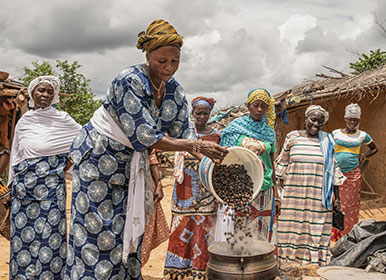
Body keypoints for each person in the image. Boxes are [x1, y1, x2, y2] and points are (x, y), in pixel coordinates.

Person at [65, 19, 227, 280]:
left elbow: (184, 133)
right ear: (148, 56)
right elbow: (147, 137)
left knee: (129, 230)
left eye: (174, 61)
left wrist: (214, 162)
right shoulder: (130, 80)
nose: (169, 67)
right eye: (162, 60)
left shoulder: (174, 89)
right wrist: (196, 146)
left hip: (130, 168)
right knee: (99, 236)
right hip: (99, 161)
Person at [6, 76, 81, 279]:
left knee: (51, 238)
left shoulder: (63, 119)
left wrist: (64, 167)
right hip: (23, 191)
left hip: (51, 189)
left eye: (49, 91)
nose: (45, 95)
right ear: (32, 93)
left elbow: (83, 142)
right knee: (23, 239)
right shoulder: (25, 121)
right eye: (41, 90)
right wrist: (11, 186)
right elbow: (17, 154)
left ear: (54, 95)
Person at [275, 105, 345, 267]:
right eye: (313, 119)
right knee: (291, 228)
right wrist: (278, 195)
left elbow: (334, 170)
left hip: (318, 198)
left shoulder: (328, 140)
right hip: (294, 196)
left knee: (315, 228)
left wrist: (337, 199)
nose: (316, 124)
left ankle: (313, 264)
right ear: (305, 119)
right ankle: (288, 263)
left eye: (320, 121)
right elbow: (281, 166)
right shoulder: (292, 137)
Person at [164, 96, 220, 280]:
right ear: (193, 113)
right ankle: (178, 271)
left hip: (207, 190)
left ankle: (200, 271)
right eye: (198, 113)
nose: (202, 116)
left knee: (204, 230)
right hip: (184, 191)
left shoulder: (217, 136)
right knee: (182, 226)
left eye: (205, 113)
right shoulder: (184, 132)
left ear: (210, 114)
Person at [217, 88, 278, 243]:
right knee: (241, 226)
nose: (259, 109)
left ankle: (262, 262)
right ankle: (241, 261)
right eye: (255, 105)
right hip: (241, 187)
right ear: (248, 106)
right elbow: (226, 157)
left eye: (263, 106)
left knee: (264, 227)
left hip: (265, 186)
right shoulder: (235, 128)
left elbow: (272, 162)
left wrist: (276, 191)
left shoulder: (269, 132)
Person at [331, 103, 378, 241]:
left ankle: (348, 235)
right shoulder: (335, 133)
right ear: (345, 119)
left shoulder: (363, 135)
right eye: (350, 119)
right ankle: (334, 235)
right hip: (335, 174)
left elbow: (375, 148)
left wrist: (364, 155)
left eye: (355, 120)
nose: (352, 122)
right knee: (334, 203)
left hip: (352, 176)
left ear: (359, 120)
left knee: (350, 206)